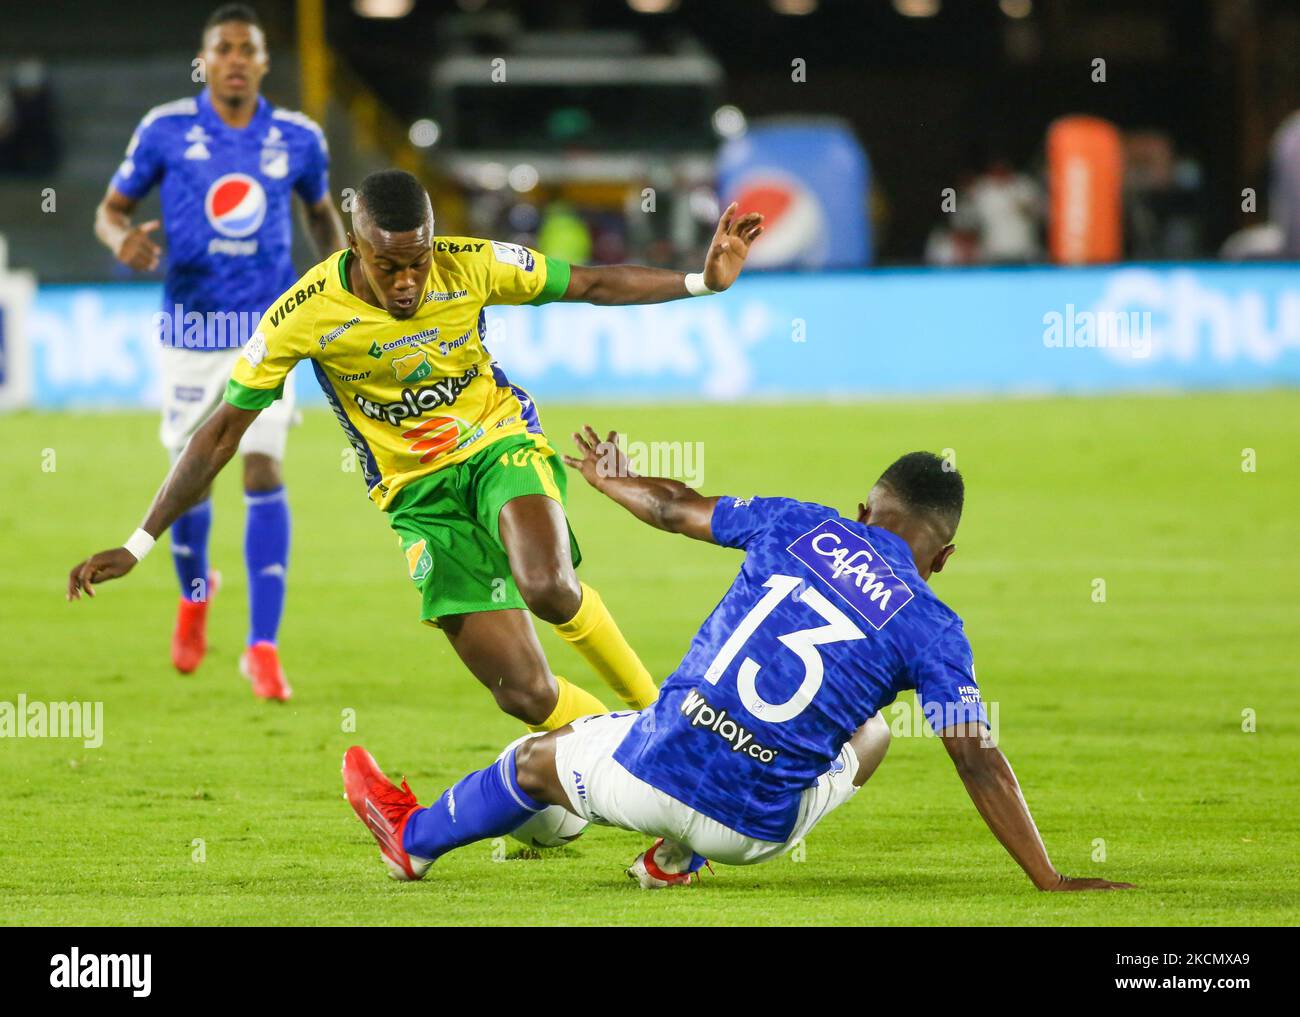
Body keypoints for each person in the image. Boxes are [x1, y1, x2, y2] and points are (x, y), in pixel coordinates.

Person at [67, 172, 765, 738]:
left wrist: (702, 282)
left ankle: (671, 725)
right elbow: (220, 432)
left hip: (497, 443)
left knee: (548, 585)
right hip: (417, 498)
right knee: (525, 695)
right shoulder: (302, 315)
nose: (408, 282)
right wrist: (139, 540)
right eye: (389, 265)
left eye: (418, 262)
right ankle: (632, 749)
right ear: (352, 245)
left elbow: (589, 282)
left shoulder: (473, 264)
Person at [340, 429, 1134, 892]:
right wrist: (1049, 878)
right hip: (754, 834)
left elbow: (674, 507)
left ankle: (412, 840)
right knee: (876, 732)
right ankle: (673, 861)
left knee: (536, 759)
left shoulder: (799, 522)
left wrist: (613, 479)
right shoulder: (934, 626)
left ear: (864, 511)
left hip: (652, 769)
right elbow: (978, 758)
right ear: (944, 555)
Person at [92, 4, 345, 699]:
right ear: (205, 60)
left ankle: (262, 646)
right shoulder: (166, 129)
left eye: (247, 49)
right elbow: (108, 210)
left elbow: (321, 213)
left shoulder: (298, 138)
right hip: (189, 335)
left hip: (268, 333)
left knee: (262, 467)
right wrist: (122, 241)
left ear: (264, 62)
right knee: (194, 477)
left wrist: (346, 284)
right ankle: (196, 596)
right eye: (223, 48)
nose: (235, 59)